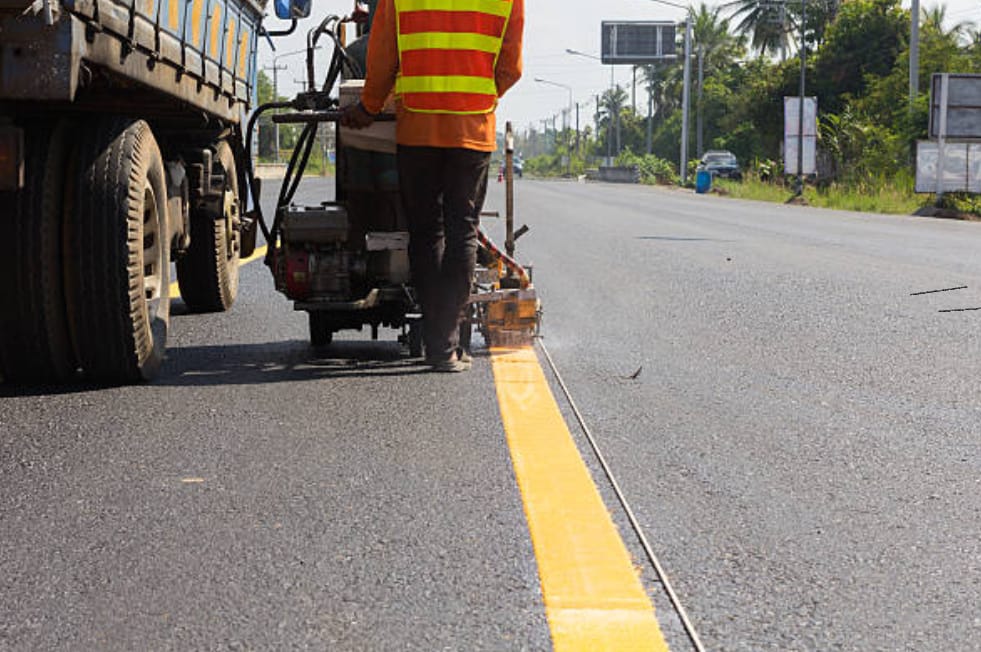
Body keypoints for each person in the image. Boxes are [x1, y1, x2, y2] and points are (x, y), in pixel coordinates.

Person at [341, 0, 524, 372]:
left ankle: (437, 343)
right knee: (463, 231)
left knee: (426, 233)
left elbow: (382, 57)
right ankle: (444, 347)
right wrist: (479, 100)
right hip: (472, 129)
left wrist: (370, 106)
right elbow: (511, 67)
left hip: (418, 127)